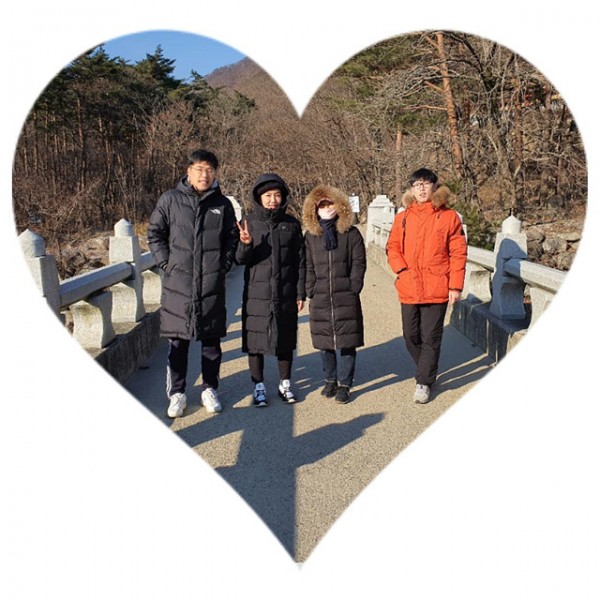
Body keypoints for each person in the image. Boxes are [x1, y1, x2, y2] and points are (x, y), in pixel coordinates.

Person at [147, 149, 239, 418]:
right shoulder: (170, 200)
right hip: (179, 284)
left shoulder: (222, 204)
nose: (204, 174)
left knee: (211, 342)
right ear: (188, 171)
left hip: (211, 284)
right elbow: (155, 233)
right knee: (178, 343)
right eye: (199, 169)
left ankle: (209, 389)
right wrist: (167, 264)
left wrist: (222, 266)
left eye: (209, 170)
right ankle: (177, 393)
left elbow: (231, 239)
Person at [386, 168, 467, 404]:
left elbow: (458, 253)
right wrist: (401, 269)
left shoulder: (449, 217)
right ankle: (427, 367)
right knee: (410, 336)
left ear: (434, 186)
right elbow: (392, 246)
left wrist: (455, 286)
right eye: (417, 184)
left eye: (426, 183)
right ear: (411, 189)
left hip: (437, 285)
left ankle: (423, 381)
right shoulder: (402, 218)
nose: (421, 188)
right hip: (409, 285)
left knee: (431, 336)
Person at [235, 173, 306, 407]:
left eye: (277, 195)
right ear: (259, 198)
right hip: (257, 293)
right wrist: (245, 244)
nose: (273, 200)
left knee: (285, 338)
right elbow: (240, 260)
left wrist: (300, 293)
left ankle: (285, 383)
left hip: (285, 291)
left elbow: (300, 261)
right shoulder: (249, 222)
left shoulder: (291, 224)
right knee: (255, 340)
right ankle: (258, 386)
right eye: (267, 195)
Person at [302, 184, 366, 404]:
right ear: (315, 209)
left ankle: (345, 384)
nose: (328, 208)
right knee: (324, 343)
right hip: (320, 296)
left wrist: (354, 285)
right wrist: (310, 288)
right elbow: (307, 264)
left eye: (331, 203)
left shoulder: (351, 233)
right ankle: (330, 380)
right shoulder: (311, 236)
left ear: (340, 205)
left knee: (347, 342)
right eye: (322, 205)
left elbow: (358, 262)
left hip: (345, 294)